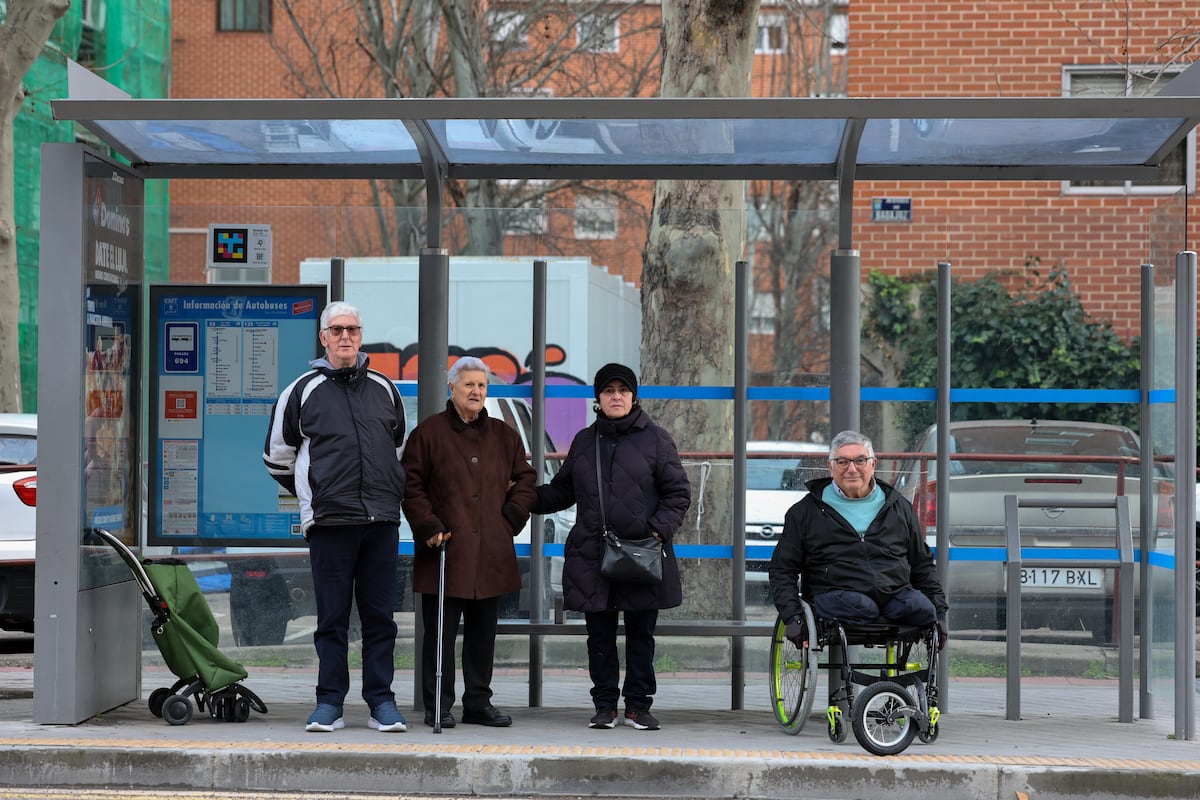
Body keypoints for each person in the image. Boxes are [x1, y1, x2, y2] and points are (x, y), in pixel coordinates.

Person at [263, 301, 408, 734]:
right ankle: (329, 704)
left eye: (353, 329)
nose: (346, 336)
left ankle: (382, 702)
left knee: (381, 619)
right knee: (332, 620)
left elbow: (397, 448)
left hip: (381, 522)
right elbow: (277, 458)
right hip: (329, 524)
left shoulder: (386, 388)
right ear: (323, 337)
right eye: (337, 330)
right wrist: (315, 496)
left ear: (361, 336)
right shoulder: (301, 391)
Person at [533, 363, 691, 731]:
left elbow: (678, 494)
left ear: (634, 396)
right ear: (598, 399)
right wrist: (523, 496)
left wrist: (655, 533)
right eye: (608, 391)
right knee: (599, 636)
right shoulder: (585, 441)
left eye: (623, 390)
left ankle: (638, 705)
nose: (616, 396)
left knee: (641, 635)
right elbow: (562, 490)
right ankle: (605, 705)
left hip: (642, 553)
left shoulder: (656, 439)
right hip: (593, 554)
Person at [400, 357, 537, 729]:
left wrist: (509, 518)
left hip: (490, 553)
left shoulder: (503, 434)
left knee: (482, 638)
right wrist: (429, 525)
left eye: (482, 386)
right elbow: (411, 487)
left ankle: (478, 702)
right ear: (452, 388)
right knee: (440, 638)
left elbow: (526, 480)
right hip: (445, 552)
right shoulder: (428, 434)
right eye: (469, 385)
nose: (477, 392)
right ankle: (438, 705)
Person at [768, 430, 948, 649]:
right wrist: (793, 618)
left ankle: (919, 682)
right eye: (842, 461)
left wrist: (939, 614)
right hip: (836, 594)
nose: (851, 469)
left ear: (873, 464)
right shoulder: (805, 512)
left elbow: (922, 564)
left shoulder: (898, 507)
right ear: (830, 466)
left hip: (894, 594)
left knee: (924, 610)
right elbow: (782, 570)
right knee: (863, 607)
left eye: (860, 460)